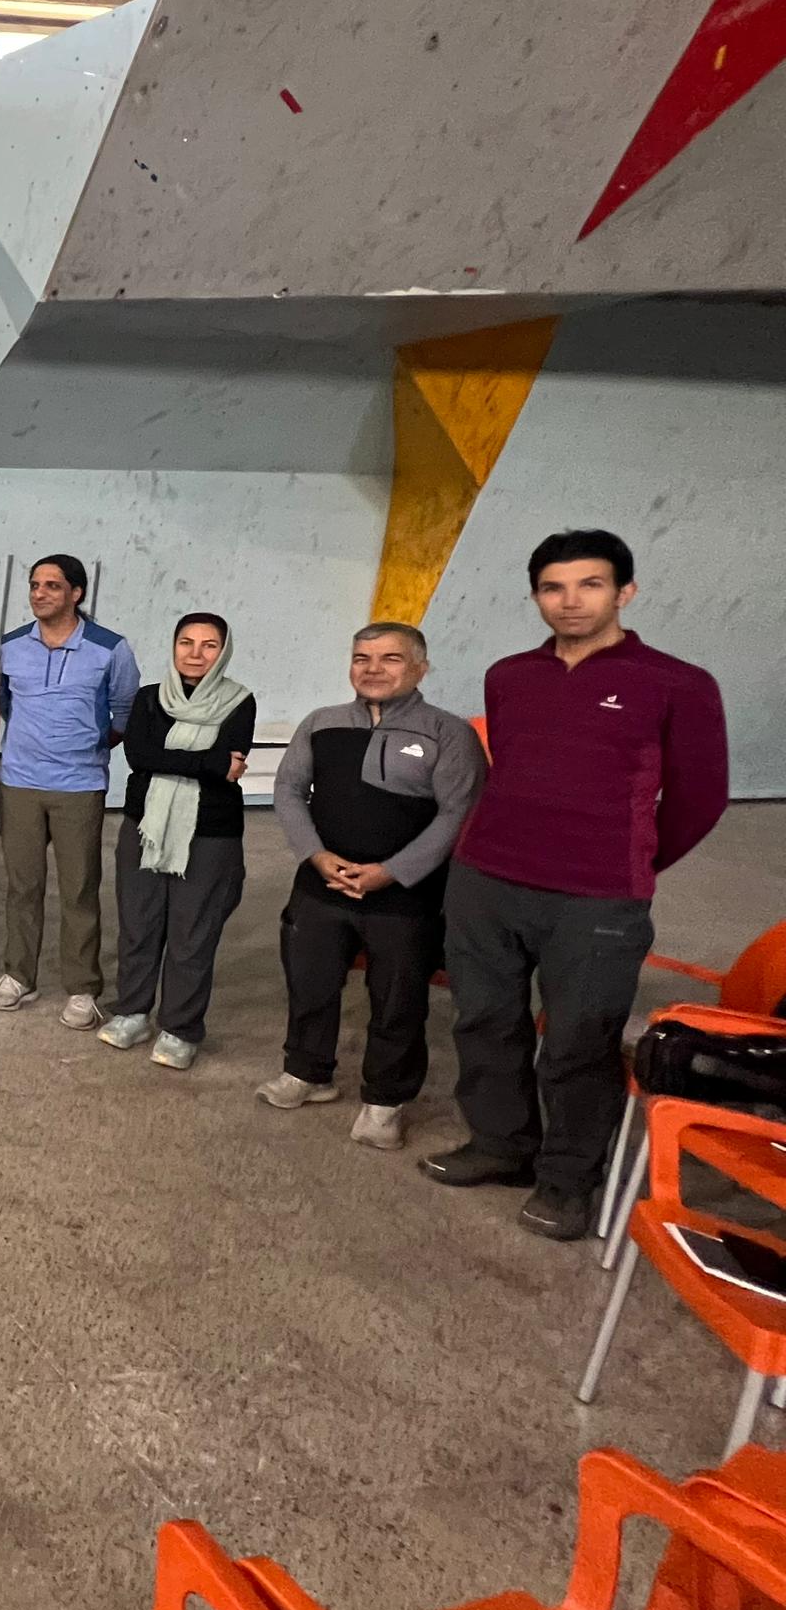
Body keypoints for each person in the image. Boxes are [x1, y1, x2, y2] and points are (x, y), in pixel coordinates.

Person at [424, 530, 728, 1240]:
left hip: (596, 898)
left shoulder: (677, 683)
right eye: (553, 587)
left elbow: (701, 798)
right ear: (535, 596)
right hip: (486, 880)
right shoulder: (509, 676)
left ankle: (567, 1181)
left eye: (590, 584)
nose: (570, 601)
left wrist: (629, 861)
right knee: (483, 1021)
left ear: (625, 592)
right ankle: (500, 1144)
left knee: (579, 1041)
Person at [260, 622, 487, 1150]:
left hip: (405, 896)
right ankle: (306, 1072)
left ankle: (385, 1101)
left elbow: (460, 813)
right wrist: (315, 855)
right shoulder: (322, 723)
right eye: (362, 658)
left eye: (390, 658)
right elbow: (289, 789)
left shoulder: (449, 733)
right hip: (320, 886)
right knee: (310, 984)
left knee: (397, 1000)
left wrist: (395, 871)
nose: (373, 669)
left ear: (420, 669)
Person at [96, 614, 256, 1070]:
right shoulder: (149, 698)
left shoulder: (239, 701)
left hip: (210, 832)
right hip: (145, 825)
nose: (195, 653)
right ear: (174, 646)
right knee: (139, 923)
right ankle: (132, 1012)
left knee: (192, 932)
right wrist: (209, 762)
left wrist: (173, 759)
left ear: (223, 652)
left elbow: (221, 761)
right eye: (186, 642)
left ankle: (180, 1028)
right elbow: (139, 755)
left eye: (209, 645)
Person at [0, 553, 141, 1029]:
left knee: (79, 888)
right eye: (35, 585)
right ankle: (19, 975)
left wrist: (87, 744)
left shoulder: (110, 648)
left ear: (77, 593)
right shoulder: (11, 645)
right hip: (20, 784)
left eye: (52, 586)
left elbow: (124, 712)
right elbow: (5, 703)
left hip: (80, 786)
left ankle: (82, 988)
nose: (39, 593)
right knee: (23, 886)